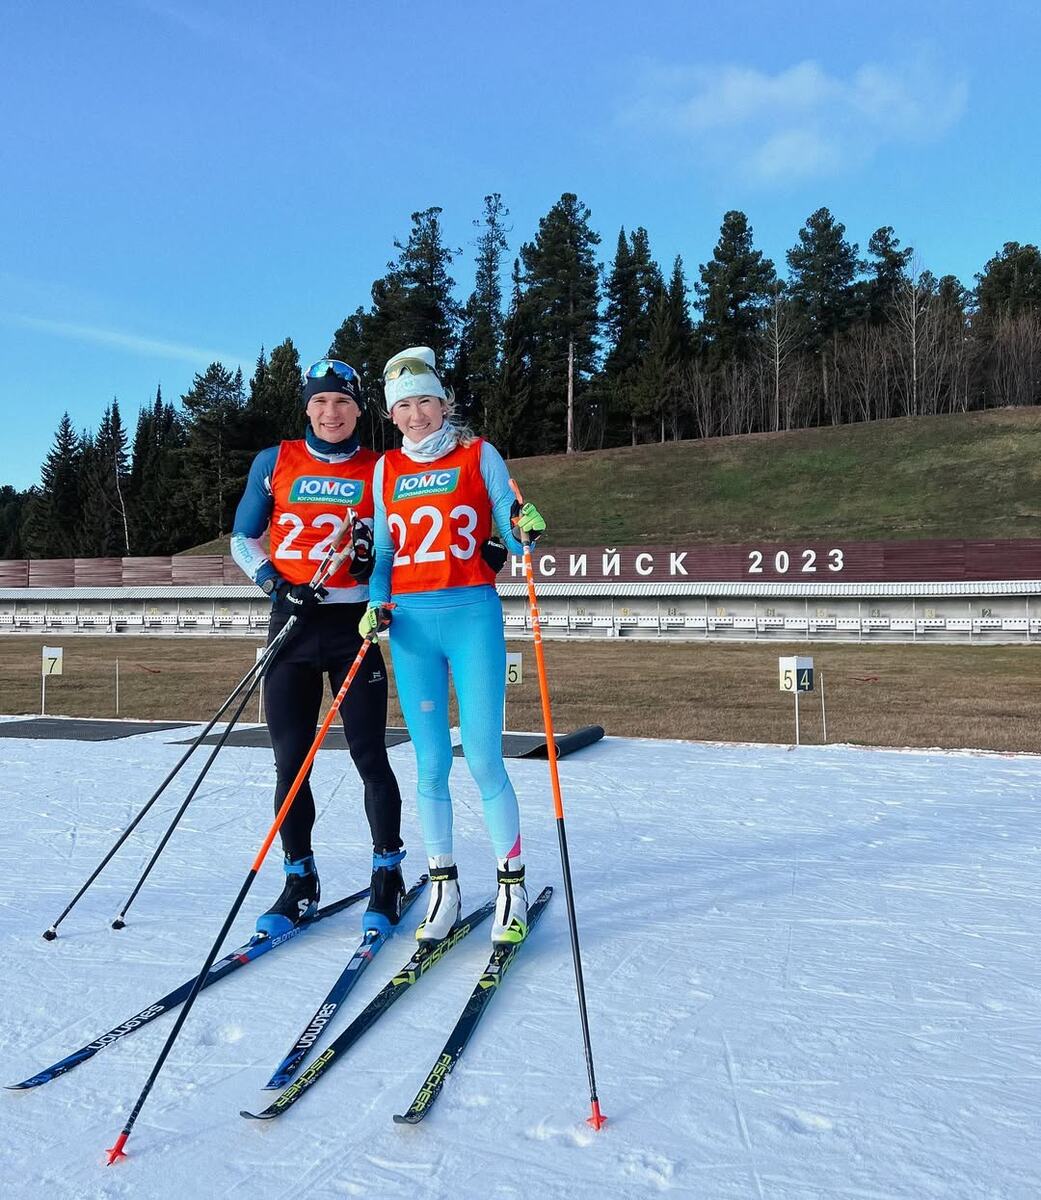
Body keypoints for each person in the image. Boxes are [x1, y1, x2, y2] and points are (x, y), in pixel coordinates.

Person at [361, 346, 546, 945]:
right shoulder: (386, 470)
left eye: (425, 402)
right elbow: (386, 555)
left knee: (486, 759)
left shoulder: (478, 453)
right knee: (431, 765)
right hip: (411, 626)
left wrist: (527, 532)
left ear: (444, 403)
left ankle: (511, 886)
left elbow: (512, 532)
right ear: (392, 415)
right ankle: (443, 885)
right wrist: (375, 602)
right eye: (404, 406)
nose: (416, 415)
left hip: (472, 616)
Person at [231, 358, 405, 938]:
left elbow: (396, 545)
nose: (331, 413)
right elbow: (242, 537)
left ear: (360, 409)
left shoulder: (382, 468)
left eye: (343, 402)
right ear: (307, 407)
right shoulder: (274, 460)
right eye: (320, 402)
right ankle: (299, 879)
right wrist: (276, 584)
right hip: (292, 623)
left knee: (368, 756)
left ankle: (388, 874)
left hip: (352, 625)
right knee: (291, 760)